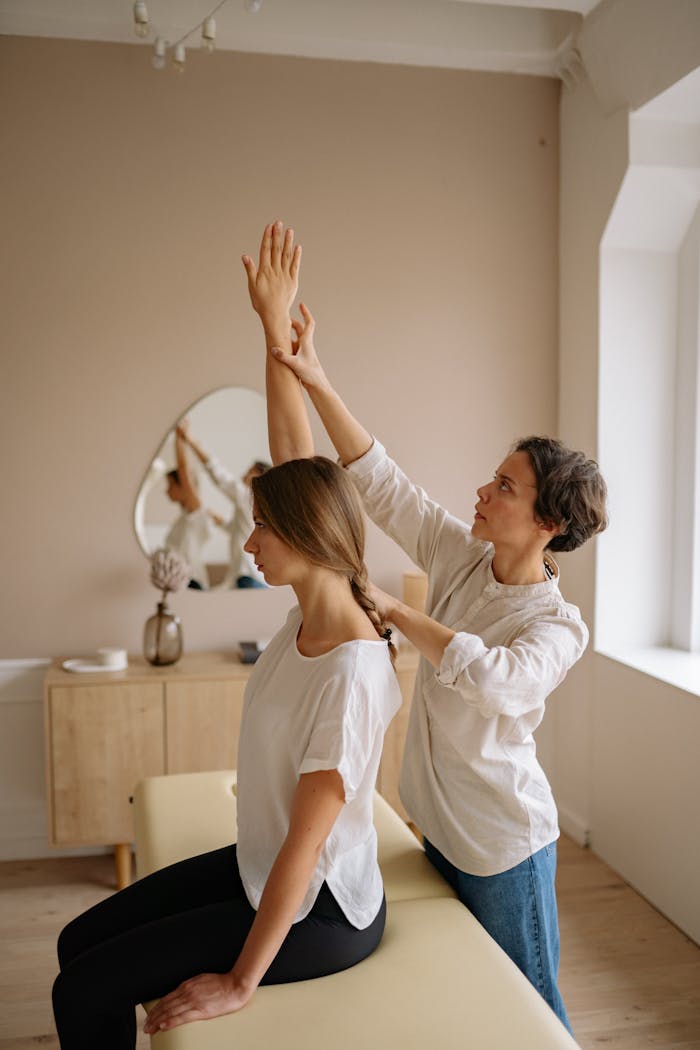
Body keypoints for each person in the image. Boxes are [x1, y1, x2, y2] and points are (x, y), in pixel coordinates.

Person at [51, 230, 401, 1049]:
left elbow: (308, 850)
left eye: (260, 535)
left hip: (319, 910)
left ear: (306, 539)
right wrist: (273, 331)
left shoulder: (349, 672)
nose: (247, 548)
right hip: (263, 864)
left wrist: (239, 982)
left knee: (85, 990)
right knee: (75, 947)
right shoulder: (320, 600)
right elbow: (295, 463)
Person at [259, 221, 609, 1034]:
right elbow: (384, 487)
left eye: (506, 488)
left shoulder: (557, 627)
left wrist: (398, 611)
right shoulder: (461, 556)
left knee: (532, 1011)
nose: (483, 492)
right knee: (471, 1007)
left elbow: (494, 679)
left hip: (502, 846)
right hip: (438, 827)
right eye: (492, 476)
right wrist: (314, 378)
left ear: (550, 524)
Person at [176, 418, 269, 589]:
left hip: (247, 577)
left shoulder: (249, 496)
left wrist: (189, 440)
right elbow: (237, 530)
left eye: (250, 473)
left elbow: (218, 474)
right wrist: (216, 518)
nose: (244, 475)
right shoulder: (256, 505)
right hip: (248, 578)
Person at [163, 428, 213, 590]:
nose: (167, 491)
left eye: (170, 485)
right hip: (179, 581)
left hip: (192, 582)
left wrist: (179, 438)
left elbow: (183, 469)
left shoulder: (197, 512)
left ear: (183, 487)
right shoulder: (184, 518)